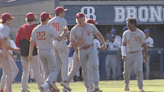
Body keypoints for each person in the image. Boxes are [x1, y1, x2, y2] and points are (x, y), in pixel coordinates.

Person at [28, 12, 68, 92]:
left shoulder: (35, 29)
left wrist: (30, 54)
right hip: (48, 50)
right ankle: (46, 84)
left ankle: (47, 89)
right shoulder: (50, 28)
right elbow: (59, 38)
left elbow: (32, 42)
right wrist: (64, 32)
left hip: (40, 51)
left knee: (46, 70)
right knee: (54, 69)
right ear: (47, 19)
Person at [70, 12, 106, 92]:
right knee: (85, 70)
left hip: (91, 47)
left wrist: (103, 43)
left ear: (84, 19)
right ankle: (88, 88)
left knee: (94, 65)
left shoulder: (90, 26)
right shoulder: (74, 29)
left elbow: (98, 34)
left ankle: (96, 85)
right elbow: (72, 42)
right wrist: (78, 43)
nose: (80, 20)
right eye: (78, 19)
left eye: (81, 18)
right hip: (81, 49)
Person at [15, 12, 43, 92]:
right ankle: (41, 89)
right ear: (34, 19)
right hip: (33, 52)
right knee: (37, 71)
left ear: (26, 19)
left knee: (25, 71)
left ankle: (23, 89)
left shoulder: (21, 28)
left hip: (23, 52)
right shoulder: (35, 28)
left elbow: (17, 42)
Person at [48, 6, 71, 90]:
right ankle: (64, 81)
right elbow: (65, 32)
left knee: (56, 63)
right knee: (65, 62)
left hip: (53, 42)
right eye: (63, 12)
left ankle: (53, 81)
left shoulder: (50, 21)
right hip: (61, 41)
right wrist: (68, 37)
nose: (64, 13)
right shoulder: (63, 20)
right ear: (60, 13)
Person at [122, 17, 147, 92]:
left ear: (133, 24)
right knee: (126, 72)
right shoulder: (125, 33)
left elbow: (144, 45)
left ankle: (140, 87)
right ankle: (126, 84)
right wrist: (123, 54)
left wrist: (145, 55)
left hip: (137, 53)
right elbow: (123, 44)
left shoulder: (140, 33)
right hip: (128, 53)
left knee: (139, 70)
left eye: (128, 23)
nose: (127, 25)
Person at [0, 13, 19, 92]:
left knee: (9, 71)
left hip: (1, 50)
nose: (10, 21)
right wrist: (5, 51)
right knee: (10, 72)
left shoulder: (0, 27)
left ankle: (2, 88)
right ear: (6, 20)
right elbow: (3, 40)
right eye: (10, 20)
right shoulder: (5, 28)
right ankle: (8, 90)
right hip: (3, 51)